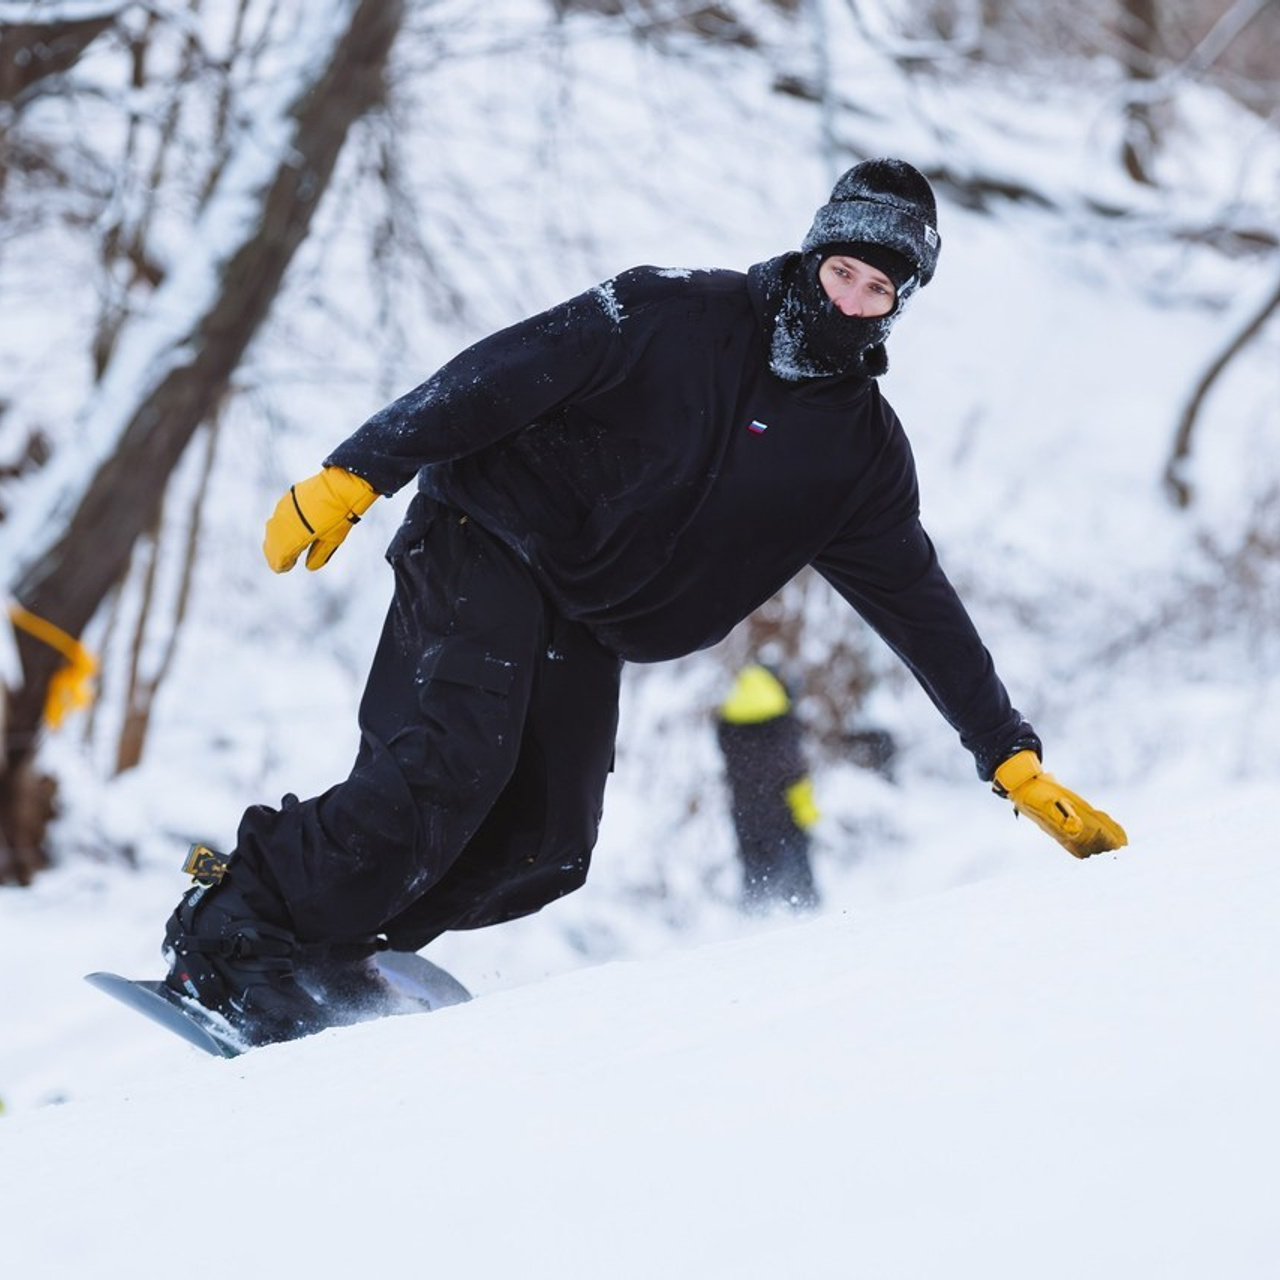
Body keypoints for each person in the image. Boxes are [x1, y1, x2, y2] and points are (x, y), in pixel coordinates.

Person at [162, 159, 1127, 1045]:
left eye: (878, 291)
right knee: (452, 764)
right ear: (812, 254)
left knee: (549, 844)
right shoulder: (670, 313)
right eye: (843, 272)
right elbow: (499, 374)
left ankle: (331, 942)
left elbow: (919, 603)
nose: (851, 301)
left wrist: (1005, 751)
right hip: (487, 538)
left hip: (590, 619)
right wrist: (360, 470)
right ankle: (233, 926)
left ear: (898, 306)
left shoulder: (857, 456)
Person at [716, 662, 822, 913]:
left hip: (745, 812)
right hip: (783, 812)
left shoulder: (727, 719)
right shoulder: (781, 719)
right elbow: (793, 771)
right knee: (798, 885)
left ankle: (754, 922)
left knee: (756, 878)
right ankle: (808, 919)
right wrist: (807, 812)